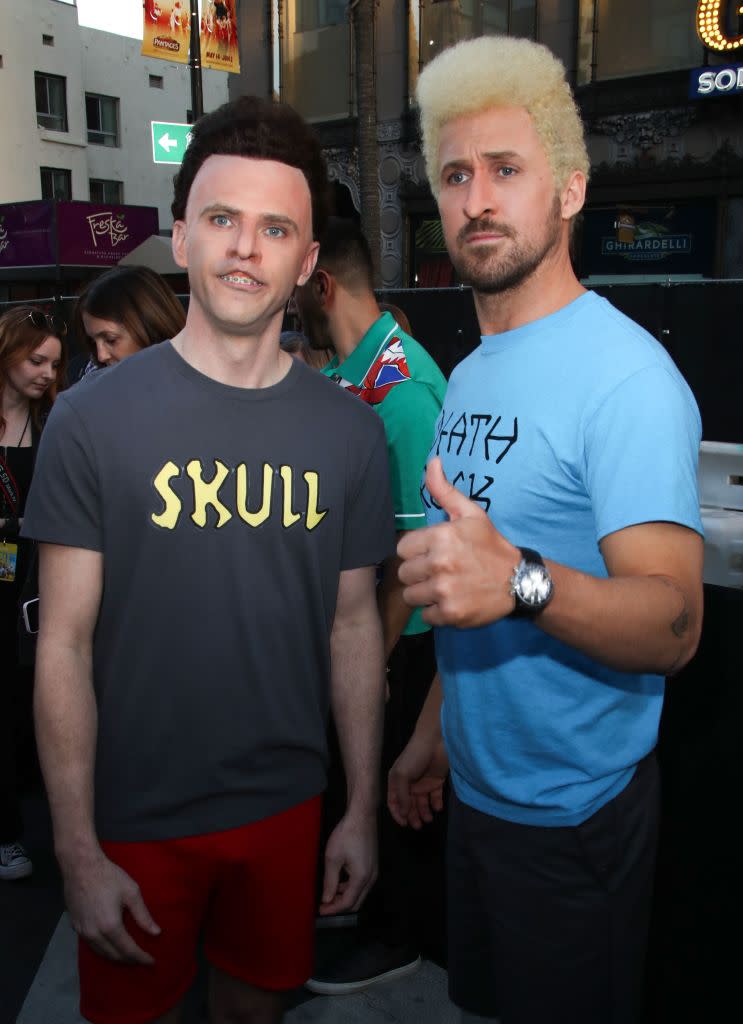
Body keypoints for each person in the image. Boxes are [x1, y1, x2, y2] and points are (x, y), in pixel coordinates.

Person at [22, 95, 394, 1024]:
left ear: (308, 263)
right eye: (223, 219)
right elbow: (60, 645)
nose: (245, 248)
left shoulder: (350, 432)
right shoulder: (90, 419)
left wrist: (356, 809)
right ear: (181, 234)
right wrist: (75, 849)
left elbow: (354, 625)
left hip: (285, 808)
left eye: (276, 229)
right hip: (134, 819)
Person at [388, 35, 704, 1024]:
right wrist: (430, 734)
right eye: (454, 174)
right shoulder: (472, 371)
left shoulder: (625, 377)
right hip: (478, 801)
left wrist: (522, 578)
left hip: (575, 822)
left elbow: (672, 625)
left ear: (567, 190)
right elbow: (467, 578)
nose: (475, 198)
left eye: (505, 170)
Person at [294, 217, 447, 993]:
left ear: (323, 285)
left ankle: (398, 937)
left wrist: (370, 661)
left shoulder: (402, 391)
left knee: (397, 793)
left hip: (408, 637)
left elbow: (409, 561)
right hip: (363, 630)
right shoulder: (349, 374)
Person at [0, 306, 65, 881]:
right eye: (35, 359)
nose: (46, 372)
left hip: (40, 585)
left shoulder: (56, 423)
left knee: (35, 698)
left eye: (54, 363)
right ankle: (7, 834)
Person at [71, 265, 186, 376]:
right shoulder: (92, 379)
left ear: (152, 328)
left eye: (111, 340)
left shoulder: (195, 379)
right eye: (93, 342)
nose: (101, 356)